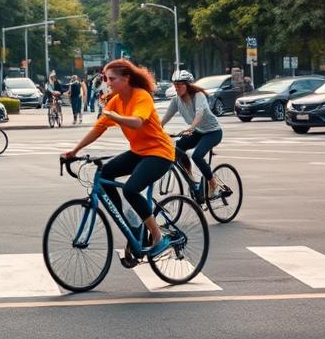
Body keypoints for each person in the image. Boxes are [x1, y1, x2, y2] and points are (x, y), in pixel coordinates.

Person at [63, 58, 176, 260]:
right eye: (106, 79)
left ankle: (158, 237)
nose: (108, 83)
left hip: (159, 153)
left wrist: (115, 117)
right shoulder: (116, 101)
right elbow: (98, 128)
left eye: (112, 79)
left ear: (127, 78)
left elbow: (137, 123)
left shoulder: (142, 97)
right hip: (139, 151)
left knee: (131, 189)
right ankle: (134, 228)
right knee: (105, 174)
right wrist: (75, 150)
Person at [160, 70, 225, 199]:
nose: (176, 88)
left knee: (197, 156)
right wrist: (156, 129)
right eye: (175, 85)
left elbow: (199, 114)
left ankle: (214, 185)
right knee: (176, 150)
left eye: (179, 85)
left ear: (188, 85)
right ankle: (191, 179)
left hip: (213, 132)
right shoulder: (176, 100)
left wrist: (190, 128)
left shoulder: (198, 96)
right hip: (198, 132)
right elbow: (165, 118)